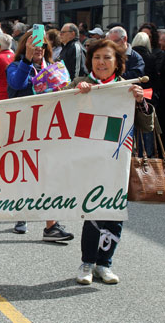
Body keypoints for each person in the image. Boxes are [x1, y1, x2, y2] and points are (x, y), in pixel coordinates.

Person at [65, 39, 154, 285]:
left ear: (117, 62)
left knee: (114, 213)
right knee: (93, 212)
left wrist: (140, 102)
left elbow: (147, 125)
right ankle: (87, 262)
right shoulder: (79, 84)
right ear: (90, 61)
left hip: (118, 161)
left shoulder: (127, 88)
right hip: (89, 160)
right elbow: (63, 115)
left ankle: (105, 264)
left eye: (107, 58)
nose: (101, 62)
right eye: (96, 58)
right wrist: (75, 95)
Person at [6, 30, 75, 241]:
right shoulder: (15, 66)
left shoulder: (56, 68)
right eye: (32, 44)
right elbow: (16, 85)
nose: (38, 49)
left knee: (50, 176)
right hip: (23, 131)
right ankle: (21, 213)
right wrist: (26, 59)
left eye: (42, 45)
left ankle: (51, 226)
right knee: (24, 175)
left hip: (50, 130)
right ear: (24, 46)